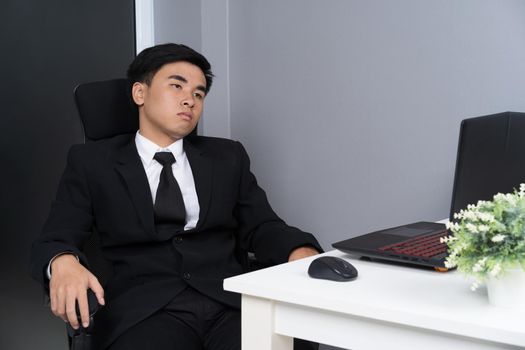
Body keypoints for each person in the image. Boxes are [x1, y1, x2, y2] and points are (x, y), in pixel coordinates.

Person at [31, 43, 321, 350]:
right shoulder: (92, 163)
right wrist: (62, 261)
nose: (189, 100)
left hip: (227, 303)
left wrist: (299, 250)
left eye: (198, 94)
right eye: (176, 86)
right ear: (139, 94)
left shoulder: (227, 157)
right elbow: (55, 236)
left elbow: (262, 226)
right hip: (145, 311)